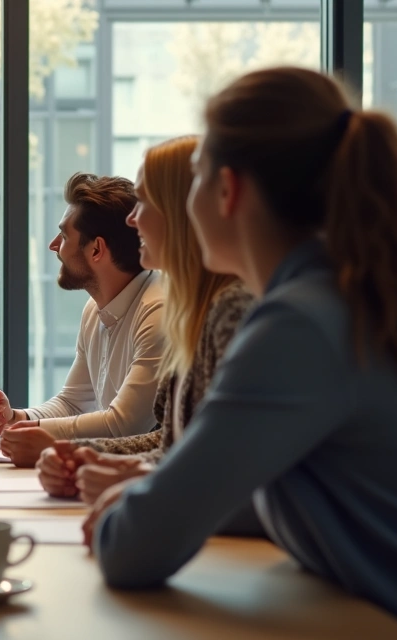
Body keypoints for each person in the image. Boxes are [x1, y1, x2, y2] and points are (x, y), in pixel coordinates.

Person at [87, 67, 397, 636]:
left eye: (198, 176)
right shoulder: (347, 295)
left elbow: (133, 551)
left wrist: (129, 511)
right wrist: (147, 491)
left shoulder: (299, 323)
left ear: (228, 190)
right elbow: (289, 494)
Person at [34, 136, 254, 504]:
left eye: (145, 202)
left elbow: (232, 468)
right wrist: (88, 457)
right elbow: (170, 441)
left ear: (181, 211)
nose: (133, 221)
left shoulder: (227, 309)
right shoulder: (194, 308)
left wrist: (131, 482)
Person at [0, 173, 165, 466]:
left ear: (96, 249)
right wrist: (16, 418)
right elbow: (73, 402)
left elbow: (123, 425)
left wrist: (36, 433)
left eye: (64, 236)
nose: (54, 245)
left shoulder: (158, 310)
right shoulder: (94, 309)